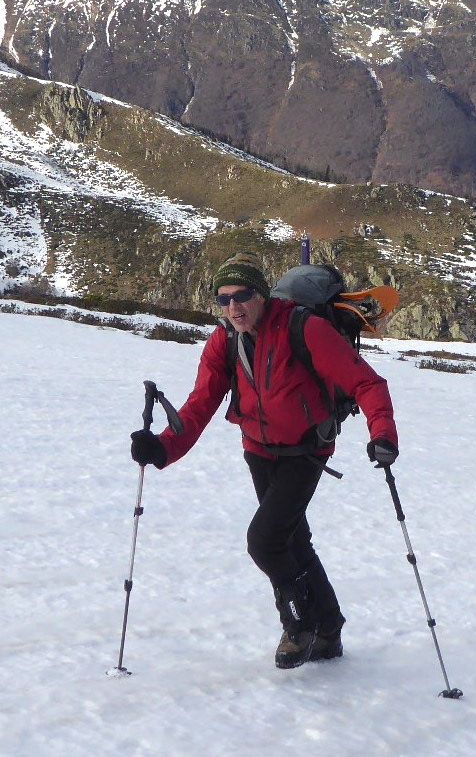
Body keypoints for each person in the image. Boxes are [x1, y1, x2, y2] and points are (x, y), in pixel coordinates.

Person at [128, 252, 399, 669]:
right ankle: (328, 632)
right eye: (223, 299)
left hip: (306, 450)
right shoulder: (224, 340)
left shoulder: (304, 328)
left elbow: (366, 383)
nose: (233, 307)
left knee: (265, 541)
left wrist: (382, 435)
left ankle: (299, 627)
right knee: (292, 541)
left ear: (263, 294)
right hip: (258, 449)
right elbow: (201, 403)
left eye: (242, 295)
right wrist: (163, 449)